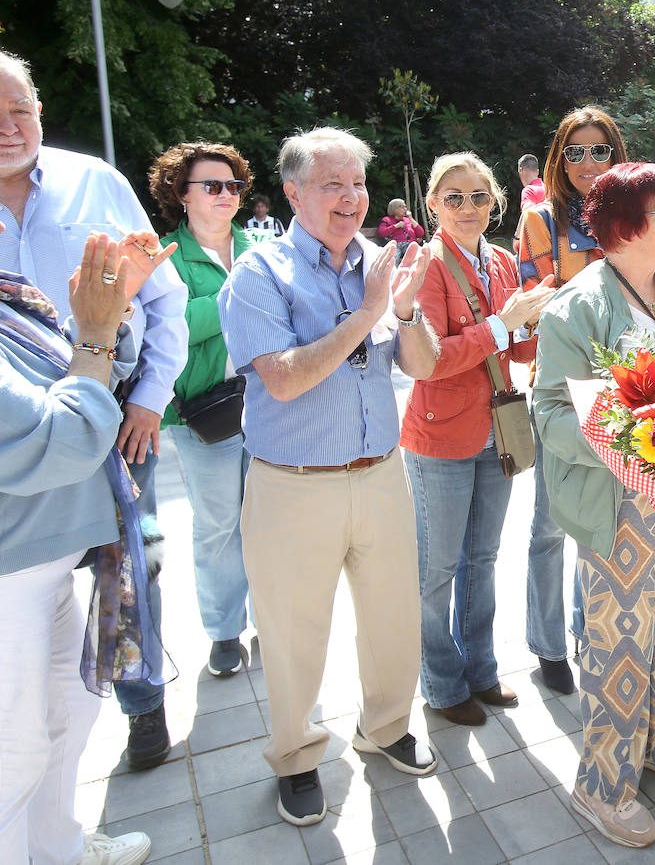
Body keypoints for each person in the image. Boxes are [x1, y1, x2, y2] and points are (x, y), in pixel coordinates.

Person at [217, 127, 440, 827]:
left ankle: (386, 724)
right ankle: (297, 756)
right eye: (332, 184)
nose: (351, 198)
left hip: (380, 472)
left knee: (393, 615)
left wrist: (401, 311)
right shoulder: (258, 274)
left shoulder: (379, 262)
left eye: (358, 184)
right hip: (294, 483)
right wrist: (370, 314)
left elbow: (423, 365)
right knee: (292, 631)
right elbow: (282, 380)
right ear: (292, 192)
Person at [0, 49, 188, 774]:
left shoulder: (96, 184)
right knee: (30, 613)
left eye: (20, 110)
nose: (10, 128)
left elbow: (166, 303)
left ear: (41, 110)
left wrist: (146, 401)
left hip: (111, 422)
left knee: (134, 568)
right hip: (17, 442)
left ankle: (144, 707)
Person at [532, 163, 655, 849]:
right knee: (618, 642)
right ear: (629, 225)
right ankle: (601, 784)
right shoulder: (575, 307)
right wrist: (633, 437)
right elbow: (548, 412)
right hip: (620, 500)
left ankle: (652, 737)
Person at [1, 232, 153, 865]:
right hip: (14, 576)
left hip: (48, 564)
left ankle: (57, 849)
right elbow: (57, 439)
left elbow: (73, 379)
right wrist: (93, 333)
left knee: (68, 717)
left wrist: (107, 316)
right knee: (15, 754)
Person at [401, 152, 552, 727]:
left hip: (497, 429)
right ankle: (441, 682)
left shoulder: (503, 263)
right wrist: (500, 326)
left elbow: (517, 353)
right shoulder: (429, 265)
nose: (469, 208)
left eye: (480, 197)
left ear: (498, 202)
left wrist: (534, 322)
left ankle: (482, 668)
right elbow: (430, 360)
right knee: (438, 567)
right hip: (439, 435)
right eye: (455, 198)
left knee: (483, 557)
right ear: (434, 204)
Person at [516, 106, 628, 695]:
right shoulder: (540, 220)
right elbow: (530, 305)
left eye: (600, 150)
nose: (588, 163)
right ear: (559, 160)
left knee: (602, 521)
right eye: (576, 152)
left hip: (626, 394)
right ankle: (546, 643)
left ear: (616, 154)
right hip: (560, 390)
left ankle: (594, 631)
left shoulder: (629, 216)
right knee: (549, 524)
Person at [147, 142, 260, 679]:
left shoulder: (261, 246)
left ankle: (270, 617)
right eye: (212, 185)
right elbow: (173, 329)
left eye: (233, 186)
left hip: (270, 408)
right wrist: (237, 293)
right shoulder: (165, 257)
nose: (226, 195)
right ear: (181, 194)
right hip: (206, 417)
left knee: (270, 520)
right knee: (219, 527)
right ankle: (223, 632)